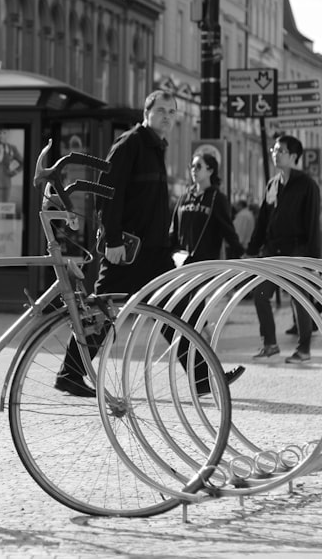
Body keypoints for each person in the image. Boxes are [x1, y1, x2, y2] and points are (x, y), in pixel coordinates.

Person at [54, 90, 242, 397]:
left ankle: (200, 378)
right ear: (147, 112)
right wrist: (113, 241)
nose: (167, 116)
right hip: (128, 252)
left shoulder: (156, 148)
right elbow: (106, 194)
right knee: (101, 310)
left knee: (179, 310)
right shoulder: (130, 144)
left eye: (172, 111)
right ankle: (70, 372)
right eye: (162, 110)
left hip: (154, 252)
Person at [167, 152, 246, 390]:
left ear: (211, 170)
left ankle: (209, 376)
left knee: (196, 320)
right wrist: (169, 253)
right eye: (192, 165)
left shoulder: (216, 198)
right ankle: (207, 377)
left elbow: (227, 231)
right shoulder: (184, 197)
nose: (193, 169)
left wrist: (241, 256)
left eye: (198, 166)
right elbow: (173, 231)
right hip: (181, 267)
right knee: (191, 321)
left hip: (203, 269)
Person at [246, 134, 321, 364]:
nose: (275, 154)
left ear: (294, 156)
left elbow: (313, 223)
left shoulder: (307, 184)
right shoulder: (272, 183)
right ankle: (270, 344)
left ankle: (304, 349)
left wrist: (314, 260)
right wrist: (252, 249)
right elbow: (263, 220)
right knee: (260, 295)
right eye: (274, 150)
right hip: (272, 250)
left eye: (281, 151)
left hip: (297, 249)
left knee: (300, 298)